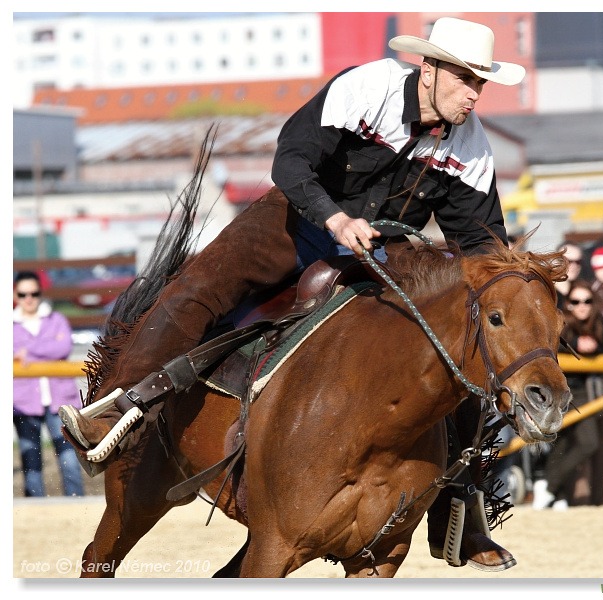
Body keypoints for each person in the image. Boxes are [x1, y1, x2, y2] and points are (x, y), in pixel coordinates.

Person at [59, 17, 527, 570]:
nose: (474, 94)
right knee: (198, 288)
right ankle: (119, 409)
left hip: (386, 256)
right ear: (428, 68)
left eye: (482, 83)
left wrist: (514, 282)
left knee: (457, 348)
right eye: (465, 79)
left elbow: (480, 243)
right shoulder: (366, 88)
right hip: (298, 221)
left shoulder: (473, 150)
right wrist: (335, 219)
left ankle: (462, 503)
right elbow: (292, 159)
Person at [533, 281, 603, 510]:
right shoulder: (560, 323)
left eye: (587, 301)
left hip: (586, 391)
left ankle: (552, 489)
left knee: (582, 443)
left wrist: (596, 345)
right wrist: (576, 344)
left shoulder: (597, 323)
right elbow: (549, 347)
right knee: (577, 443)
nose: (582, 306)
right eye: (576, 301)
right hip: (561, 389)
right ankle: (550, 488)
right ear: (567, 303)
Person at [13, 271, 84, 497]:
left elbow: (63, 348)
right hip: (24, 402)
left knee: (69, 458)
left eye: (33, 293)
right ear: (16, 294)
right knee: (30, 460)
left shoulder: (57, 319)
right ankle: (34, 510)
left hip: (59, 399)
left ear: (40, 293)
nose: (29, 298)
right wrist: (46, 351)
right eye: (24, 293)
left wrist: (28, 353)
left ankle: (76, 507)